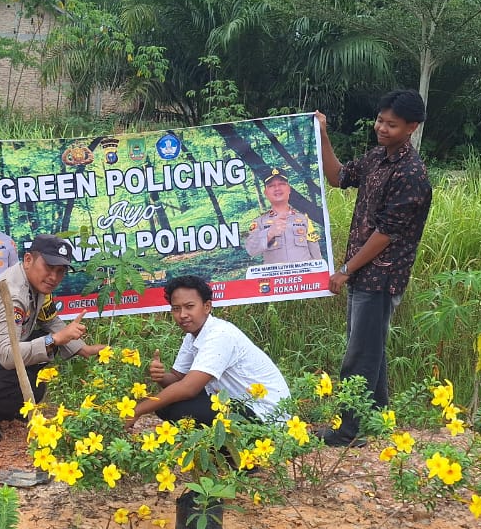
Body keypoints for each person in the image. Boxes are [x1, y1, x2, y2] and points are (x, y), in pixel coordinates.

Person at [317, 89, 433, 447]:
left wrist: (346, 268)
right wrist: (321, 134)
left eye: (392, 124)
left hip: (381, 276)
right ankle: (378, 420)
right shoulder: (378, 158)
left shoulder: (411, 174)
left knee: (360, 353)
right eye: (380, 120)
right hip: (364, 272)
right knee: (370, 348)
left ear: (412, 127)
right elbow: (337, 177)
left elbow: (386, 233)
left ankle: (348, 430)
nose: (382, 128)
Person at [0, 234, 105, 442]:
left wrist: (82, 348)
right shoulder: (12, 295)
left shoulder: (36, 285)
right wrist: (56, 339)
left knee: (36, 382)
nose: (54, 277)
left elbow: (50, 321)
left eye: (60, 272)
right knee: (29, 386)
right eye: (49, 267)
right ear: (28, 260)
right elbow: (7, 357)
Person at [134, 275, 289, 427]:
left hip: (266, 415)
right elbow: (176, 378)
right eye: (176, 309)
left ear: (207, 307)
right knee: (165, 404)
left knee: (179, 409)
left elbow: (188, 388)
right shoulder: (193, 335)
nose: (182, 315)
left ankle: (234, 447)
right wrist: (160, 377)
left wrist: (136, 411)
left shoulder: (220, 335)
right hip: (234, 403)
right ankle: (215, 446)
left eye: (189, 307)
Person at [244, 168, 323, 264]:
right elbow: (251, 250)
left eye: (281, 184)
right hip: (274, 277)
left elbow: (316, 254)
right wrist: (269, 233)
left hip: (304, 277)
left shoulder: (304, 219)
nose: (277, 188)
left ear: (289, 189)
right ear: (266, 193)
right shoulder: (259, 222)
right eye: (271, 185)